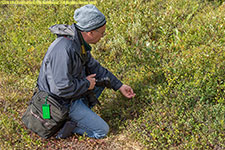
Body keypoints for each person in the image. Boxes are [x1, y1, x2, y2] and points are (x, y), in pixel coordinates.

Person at [37, 4, 135, 139]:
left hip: (71, 94)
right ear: (91, 32)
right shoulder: (64, 48)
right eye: (102, 33)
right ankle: (64, 124)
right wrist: (86, 84)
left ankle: (80, 113)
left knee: (101, 81)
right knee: (102, 131)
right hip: (59, 102)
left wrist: (119, 86)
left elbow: (96, 69)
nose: (103, 37)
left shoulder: (79, 44)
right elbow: (60, 88)